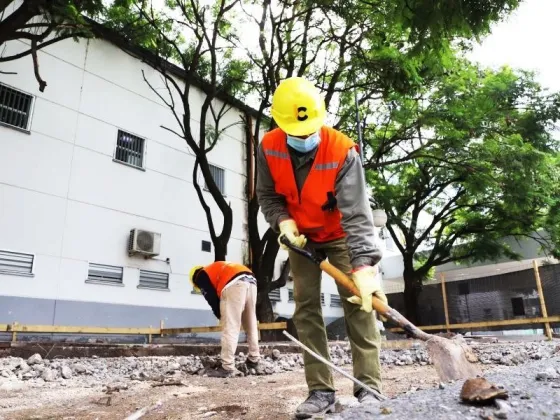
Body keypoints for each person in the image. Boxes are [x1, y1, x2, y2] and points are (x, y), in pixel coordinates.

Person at [256, 76, 388, 418]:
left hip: (341, 234)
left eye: (309, 130)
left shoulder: (343, 151)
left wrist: (363, 266)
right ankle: (320, 391)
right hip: (301, 238)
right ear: (280, 122)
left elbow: (357, 213)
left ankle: (369, 388)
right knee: (306, 309)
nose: (304, 137)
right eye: (296, 133)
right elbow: (268, 196)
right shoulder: (268, 146)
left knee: (360, 304)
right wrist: (282, 222)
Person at [189, 261, 261, 377]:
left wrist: (222, 316)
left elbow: (211, 299)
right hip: (251, 280)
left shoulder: (200, 276)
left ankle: (227, 367)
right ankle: (254, 360)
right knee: (251, 324)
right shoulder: (215, 269)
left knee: (230, 326)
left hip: (233, 282)